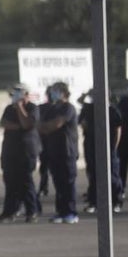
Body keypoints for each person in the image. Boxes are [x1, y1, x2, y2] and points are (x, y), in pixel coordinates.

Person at [0, 83, 40, 223]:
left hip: (26, 151)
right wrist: (19, 126)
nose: (12, 96)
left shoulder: (32, 108)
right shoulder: (9, 108)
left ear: (24, 94)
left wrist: (20, 107)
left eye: (16, 93)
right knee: (10, 182)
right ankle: (9, 212)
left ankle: (32, 212)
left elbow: (27, 124)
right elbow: (4, 123)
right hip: (9, 150)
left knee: (25, 182)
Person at [38, 82, 79, 224]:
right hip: (53, 151)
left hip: (67, 151)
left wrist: (46, 126)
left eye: (56, 90)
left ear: (63, 92)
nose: (52, 93)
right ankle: (61, 211)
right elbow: (41, 125)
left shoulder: (69, 108)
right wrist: (44, 126)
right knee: (58, 183)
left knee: (68, 183)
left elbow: (56, 124)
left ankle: (71, 212)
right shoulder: (52, 108)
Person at [79, 89, 124, 214]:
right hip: (92, 147)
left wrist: (113, 148)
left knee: (113, 176)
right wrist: (88, 94)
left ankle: (116, 201)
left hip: (108, 147)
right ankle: (94, 202)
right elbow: (82, 119)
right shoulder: (90, 109)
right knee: (93, 175)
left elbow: (117, 130)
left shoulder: (112, 110)